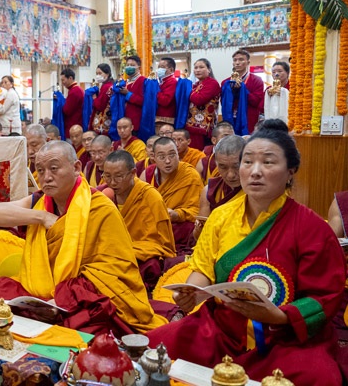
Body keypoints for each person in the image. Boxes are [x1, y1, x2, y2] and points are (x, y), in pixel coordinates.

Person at [148, 119, 345, 385]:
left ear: (291, 171)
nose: (254, 171)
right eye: (248, 161)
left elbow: (324, 298)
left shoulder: (312, 228)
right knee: (154, 348)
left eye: (268, 162)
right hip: (224, 325)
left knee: (319, 376)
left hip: (286, 336)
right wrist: (190, 293)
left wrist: (278, 316)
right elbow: (203, 269)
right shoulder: (221, 217)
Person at [0, 141, 166, 334]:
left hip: (81, 290)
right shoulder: (41, 201)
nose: (46, 177)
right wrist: (41, 216)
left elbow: (114, 269)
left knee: (81, 323)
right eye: (40, 170)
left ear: (76, 168)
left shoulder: (100, 207)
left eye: (54, 168)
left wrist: (65, 292)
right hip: (39, 285)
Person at [104, 150, 175, 288]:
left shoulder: (150, 197)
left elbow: (163, 245)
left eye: (118, 176)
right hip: (114, 254)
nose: (112, 182)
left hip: (139, 256)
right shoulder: (104, 194)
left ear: (133, 173)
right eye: (107, 176)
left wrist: (127, 250)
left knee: (151, 265)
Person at [140, 137, 203, 253]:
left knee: (191, 229)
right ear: (153, 157)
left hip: (180, 229)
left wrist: (177, 214)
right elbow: (140, 209)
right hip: (154, 228)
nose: (168, 161)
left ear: (178, 155)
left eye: (172, 155)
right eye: (162, 157)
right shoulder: (147, 175)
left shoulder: (190, 175)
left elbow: (198, 211)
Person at [193, 135, 246, 240]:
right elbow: (199, 237)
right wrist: (199, 228)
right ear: (216, 164)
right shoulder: (210, 191)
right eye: (223, 167)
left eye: (236, 166)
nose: (230, 175)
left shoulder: (258, 190)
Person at [222, 49, 265, 134]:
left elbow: (256, 101)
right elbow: (223, 102)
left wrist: (242, 89)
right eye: (235, 60)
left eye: (241, 59)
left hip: (248, 118)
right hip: (231, 118)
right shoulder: (226, 82)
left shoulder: (256, 80)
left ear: (248, 62)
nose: (237, 63)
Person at [186, 58, 221, 150]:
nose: (197, 70)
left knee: (200, 154)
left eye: (201, 67)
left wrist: (187, 90)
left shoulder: (212, 83)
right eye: (196, 67)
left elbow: (198, 99)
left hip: (204, 129)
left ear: (209, 69)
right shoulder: (196, 84)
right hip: (192, 126)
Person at [119, 56, 146, 132]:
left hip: (136, 121)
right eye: (127, 65)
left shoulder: (144, 81)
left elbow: (144, 101)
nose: (129, 67)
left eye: (132, 65)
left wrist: (128, 94)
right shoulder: (125, 82)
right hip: (124, 119)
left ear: (139, 67)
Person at [90, 63, 114, 135]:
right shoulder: (110, 85)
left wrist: (94, 98)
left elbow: (100, 105)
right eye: (97, 73)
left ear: (107, 74)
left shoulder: (106, 87)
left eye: (100, 73)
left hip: (103, 122)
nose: (98, 76)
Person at [155, 57, 177, 128]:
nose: (159, 70)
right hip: (159, 117)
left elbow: (165, 100)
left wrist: (154, 91)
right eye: (158, 67)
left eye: (162, 67)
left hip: (166, 119)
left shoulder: (172, 82)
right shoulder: (162, 81)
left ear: (171, 70)